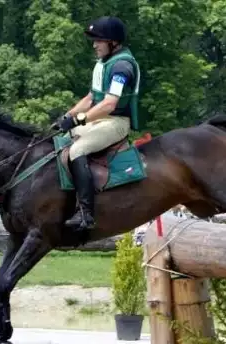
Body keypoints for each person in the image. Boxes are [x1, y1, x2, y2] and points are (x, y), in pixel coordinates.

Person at [51, 16, 141, 231]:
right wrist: (66, 117)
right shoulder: (104, 64)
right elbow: (91, 98)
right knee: (59, 141)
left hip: (115, 122)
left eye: (98, 41)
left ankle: (86, 214)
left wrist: (77, 120)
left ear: (113, 42)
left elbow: (109, 104)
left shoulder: (122, 67)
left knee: (77, 150)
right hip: (98, 120)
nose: (94, 45)